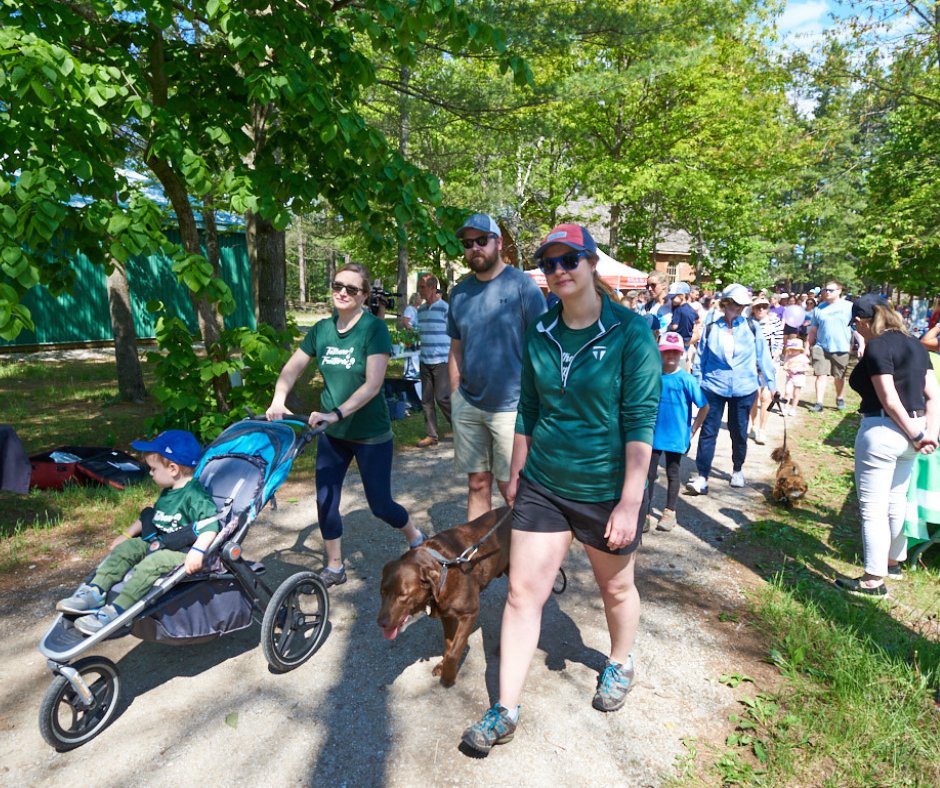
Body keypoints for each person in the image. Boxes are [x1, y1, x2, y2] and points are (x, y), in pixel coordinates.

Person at [460, 223, 660, 755]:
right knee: (523, 595)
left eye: (569, 259)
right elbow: (528, 408)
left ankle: (620, 662)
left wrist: (630, 502)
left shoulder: (630, 332)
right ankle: (504, 710)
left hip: (605, 488)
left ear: (592, 263)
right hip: (544, 484)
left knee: (616, 588)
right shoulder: (541, 331)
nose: (558, 271)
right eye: (549, 263)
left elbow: (641, 421)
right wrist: (516, 473)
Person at [266, 263, 424, 587]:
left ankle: (416, 537)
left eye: (351, 289)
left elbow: (373, 385)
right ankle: (335, 567)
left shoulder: (373, 329)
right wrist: (278, 399)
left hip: (370, 434)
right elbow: (292, 368)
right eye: (337, 285)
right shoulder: (322, 330)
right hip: (333, 434)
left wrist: (335, 413)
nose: (342, 292)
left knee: (381, 505)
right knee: (325, 499)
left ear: (364, 296)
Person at [57, 430, 218, 635]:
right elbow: (151, 517)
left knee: (151, 564)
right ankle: (96, 591)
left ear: (173, 469)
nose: (150, 473)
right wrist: (126, 536)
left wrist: (198, 551)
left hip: (182, 551)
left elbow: (210, 525)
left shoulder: (195, 495)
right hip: (160, 541)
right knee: (128, 548)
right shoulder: (169, 492)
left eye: (153, 469)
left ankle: (118, 609)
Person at [835, 294, 939, 595]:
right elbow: (934, 395)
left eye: (855, 324)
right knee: (896, 500)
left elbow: (889, 399)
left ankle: (873, 579)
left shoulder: (878, 346)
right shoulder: (915, 344)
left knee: (873, 508)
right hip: (914, 430)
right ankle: (892, 562)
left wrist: (918, 435)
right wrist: (928, 433)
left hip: (884, 429)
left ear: (861, 321)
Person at [447, 213, 545, 520]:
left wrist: (537, 403)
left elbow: (542, 348)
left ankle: (526, 548)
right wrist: (456, 395)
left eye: (481, 240)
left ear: (498, 243)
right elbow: (456, 349)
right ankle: (479, 548)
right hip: (468, 404)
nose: (474, 248)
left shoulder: (523, 286)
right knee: (477, 483)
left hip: (511, 408)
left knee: (512, 487)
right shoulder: (459, 293)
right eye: (468, 243)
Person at [686, 284, 777, 494]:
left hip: (744, 388)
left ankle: (737, 468)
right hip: (713, 386)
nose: (738, 308)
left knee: (739, 432)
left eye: (742, 305)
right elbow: (700, 359)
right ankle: (702, 476)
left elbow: (763, 357)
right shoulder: (711, 328)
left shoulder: (752, 327)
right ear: (725, 303)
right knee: (708, 432)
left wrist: (772, 385)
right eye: (734, 303)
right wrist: (697, 384)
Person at [645, 332, 709, 533]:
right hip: (653, 435)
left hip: (676, 436)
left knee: (673, 473)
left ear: (681, 353)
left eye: (675, 352)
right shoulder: (653, 376)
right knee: (649, 474)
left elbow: (704, 406)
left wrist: (692, 431)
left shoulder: (686, 379)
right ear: (659, 353)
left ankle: (670, 512)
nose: (670, 356)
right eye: (666, 352)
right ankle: (645, 513)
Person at [415, 273, 452, 448]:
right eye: (419, 287)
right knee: (426, 400)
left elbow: (455, 333)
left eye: (422, 287)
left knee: (443, 397)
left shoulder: (445, 308)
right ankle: (432, 435)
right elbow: (419, 331)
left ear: (432, 287)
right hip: (424, 359)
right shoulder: (420, 310)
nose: (419, 290)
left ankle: (462, 430)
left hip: (441, 360)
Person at [807, 280, 854, 412]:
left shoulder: (849, 307)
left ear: (839, 291)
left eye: (830, 290)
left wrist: (861, 344)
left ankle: (840, 398)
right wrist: (807, 347)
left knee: (839, 376)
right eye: (825, 290)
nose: (827, 292)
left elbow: (856, 328)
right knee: (820, 375)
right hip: (821, 347)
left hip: (841, 347)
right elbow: (813, 330)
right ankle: (819, 403)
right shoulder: (819, 308)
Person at [747, 294, 783, 444]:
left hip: (769, 364)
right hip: (751, 365)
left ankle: (762, 429)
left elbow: (779, 342)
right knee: (754, 397)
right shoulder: (748, 322)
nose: (761, 309)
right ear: (753, 309)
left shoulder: (774, 321)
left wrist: (774, 359)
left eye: (764, 307)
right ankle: (754, 425)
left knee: (766, 397)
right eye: (758, 307)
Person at [781, 338, 811, 416]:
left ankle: (793, 409)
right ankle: (785, 407)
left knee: (796, 394)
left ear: (800, 349)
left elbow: (807, 368)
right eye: (791, 349)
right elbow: (785, 366)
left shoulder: (803, 357)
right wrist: (788, 368)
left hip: (799, 377)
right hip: (790, 377)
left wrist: (798, 369)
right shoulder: (788, 356)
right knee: (787, 392)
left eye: (795, 349)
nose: (793, 351)